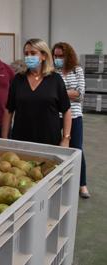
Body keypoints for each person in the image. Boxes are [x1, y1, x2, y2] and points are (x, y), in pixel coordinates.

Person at [2, 38, 72, 147]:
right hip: (21, 139)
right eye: (26, 54)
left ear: (44, 56)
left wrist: (66, 138)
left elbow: (66, 110)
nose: (29, 57)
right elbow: (9, 110)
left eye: (33, 53)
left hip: (49, 140)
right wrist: (4, 138)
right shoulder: (18, 79)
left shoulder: (55, 79)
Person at [52, 42, 90, 198]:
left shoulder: (77, 70)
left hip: (75, 116)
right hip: (55, 116)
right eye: (55, 56)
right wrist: (68, 93)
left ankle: (82, 184)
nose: (58, 59)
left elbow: (80, 94)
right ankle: (57, 183)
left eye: (61, 56)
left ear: (68, 56)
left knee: (76, 150)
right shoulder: (53, 72)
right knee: (56, 149)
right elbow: (52, 94)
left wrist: (59, 93)